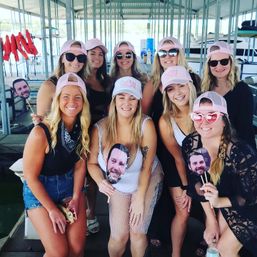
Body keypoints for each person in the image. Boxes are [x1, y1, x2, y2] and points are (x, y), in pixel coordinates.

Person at [87, 76, 163, 257]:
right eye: (121, 97)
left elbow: (146, 166)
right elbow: (91, 163)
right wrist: (100, 181)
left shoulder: (146, 125)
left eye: (132, 98)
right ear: (114, 100)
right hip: (119, 184)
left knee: (137, 230)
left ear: (138, 102)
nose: (126, 103)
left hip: (148, 177)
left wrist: (139, 197)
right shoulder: (100, 129)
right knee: (119, 235)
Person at [141, 36, 201, 248]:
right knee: (165, 194)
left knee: (194, 196)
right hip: (164, 144)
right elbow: (144, 117)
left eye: (172, 51)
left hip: (193, 149)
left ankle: (207, 234)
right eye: (163, 52)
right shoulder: (153, 83)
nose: (168, 56)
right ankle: (158, 230)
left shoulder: (193, 79)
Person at [23, 72, 91, 257]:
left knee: (76, 249)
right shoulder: (41, 132)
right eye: (66, 96)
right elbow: (30, 177)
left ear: (84, 101)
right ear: (58, 99)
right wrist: (52, 210)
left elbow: (79, 166)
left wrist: (77, 197)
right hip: (40, 189)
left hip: (69, 186)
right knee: (58, 252)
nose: (72, 102)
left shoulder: (83, 128)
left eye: (78, 97)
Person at [182, 91, 257, 257]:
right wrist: (211, 220)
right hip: (225, 202)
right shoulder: (190, 144)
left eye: (212, 116)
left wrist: (218, 202)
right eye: (198, 116)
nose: (204, 122)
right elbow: (197, 184)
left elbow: (249, 197)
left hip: (250, 205)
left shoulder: (241, 153)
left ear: (224, 121)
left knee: (225, 249)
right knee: (214, 245)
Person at [158, 66, 196, 257]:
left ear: (190, 85)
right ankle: (176, 253)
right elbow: (178, 157)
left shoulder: (204, 109)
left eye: (181, 86)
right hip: (180, 169)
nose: (177, 93)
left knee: (213, 209)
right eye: (170, 89)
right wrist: (186, 187)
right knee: (183, 211)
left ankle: (212, 244)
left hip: (207, 168)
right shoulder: (166, 120)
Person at [201, 41, 256, 148]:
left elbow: (244, 129)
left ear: (231, 63)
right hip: (213, 147)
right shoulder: (205, 91)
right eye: (214, 63)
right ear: (209, 66)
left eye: (224, 61)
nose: (219, 66)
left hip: (238, 149)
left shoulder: (242, 90)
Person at [84, 38, 112, 235]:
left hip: (103, 132)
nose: (96, 57)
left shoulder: (106, 80)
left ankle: (96, 211)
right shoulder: (80, 79)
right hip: (84, 132)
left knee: (98, 175)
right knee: (84, 176)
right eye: (92, 53)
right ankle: (86, 214)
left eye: (100, 54)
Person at [35, 39, 87, 120]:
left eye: (81, 57)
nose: (76, 61)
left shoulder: (84, 83)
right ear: (62, 58)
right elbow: (41, 120)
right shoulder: (48, 86)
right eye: (70, 56)